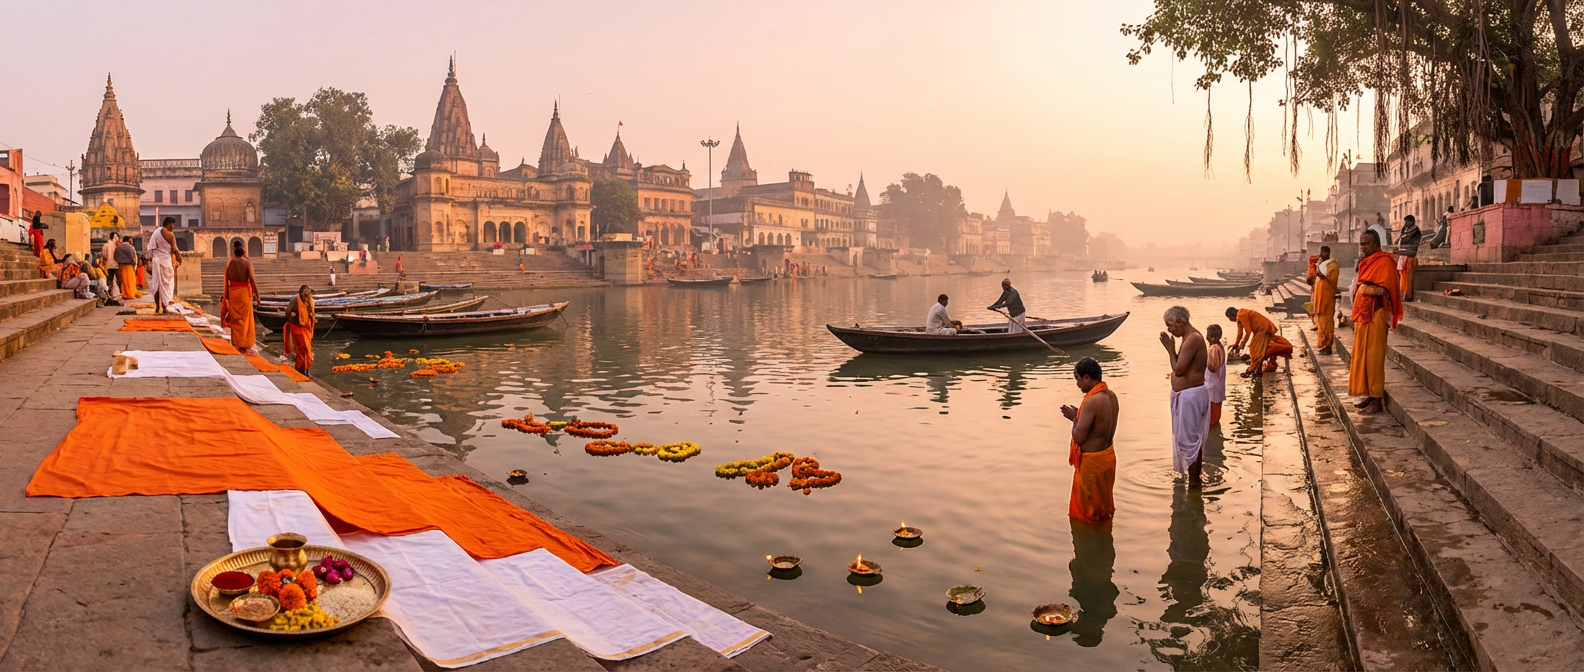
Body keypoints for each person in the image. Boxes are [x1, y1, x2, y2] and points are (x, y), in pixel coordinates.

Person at [1350, 229, 1402, 415]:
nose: (1363, 247)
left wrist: (1365, 288)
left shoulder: (1385, 262)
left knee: (1373, 358)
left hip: (1377, 315)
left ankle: (1377, 398)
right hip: (1364, 316)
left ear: (1376, 244)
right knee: (1363, 357)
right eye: (1361, 244)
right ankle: (1370, 395)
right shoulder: (1366, 262)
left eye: (1367, 244)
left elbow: (1387, 290)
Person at [1061, 357, 1118, 523]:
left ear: (1086, 377)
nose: (1077, 384)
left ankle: (1089, 541)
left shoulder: (1093, 400)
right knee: (1102, 510)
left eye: (1077, 379)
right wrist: (1080, 415)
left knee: (1087, 515)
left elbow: (1079, 437)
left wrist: (1074, 419)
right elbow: (1099, 425)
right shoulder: (1111, 396)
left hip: (1092, 463)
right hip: (1108, 458)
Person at [1161, 306, 1210, 487]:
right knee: (1189, 440)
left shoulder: (1193, 339)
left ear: (1182, 321)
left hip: (1191, 396)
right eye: (1167, 326)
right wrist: (1173, 349)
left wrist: (1169, 349)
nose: (1169, 329)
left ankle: (1195, 482)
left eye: (1171, 325)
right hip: (1187, 395)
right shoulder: (1188, 338)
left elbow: (1179, 370)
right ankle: (1194, 479)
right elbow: (1180, 367)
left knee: (1189, 441)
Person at [1226, 306, 1293, 376]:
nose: (1230, 320)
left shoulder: (1241, 314)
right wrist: (1236, 344)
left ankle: (1252, 370)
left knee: (1254, 349)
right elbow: (1240, 333)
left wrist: (1241, 345)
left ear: (1232, 314)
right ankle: (1258, 370)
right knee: (1259, 349)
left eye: (1229, 317)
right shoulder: (1239, 318)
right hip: (1262, 329)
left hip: (1262, 329)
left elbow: (1248, 332)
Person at [223, 240, 260, 353]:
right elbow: (252, 280)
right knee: (245, 320)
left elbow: (226, 281)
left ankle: (237, 343)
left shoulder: (230, 263)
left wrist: (226, 296)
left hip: (233, 293)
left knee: (235, 320)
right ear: (243, 251)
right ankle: (245, 343)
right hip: (244, 293)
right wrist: (257, 296)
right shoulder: (247, 262)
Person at [148, 217, 181, 314]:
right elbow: (175, 249)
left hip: (156, 259)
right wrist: (179, 257)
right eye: (172, 224)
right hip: (165, 260)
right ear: (168, 224)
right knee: (167, 284)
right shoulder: (170, 234)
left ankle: (158, 306)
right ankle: (165, 306)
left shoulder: (156, 232)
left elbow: (150, 248)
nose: (173, 227)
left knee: (157, 283)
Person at [1311, 245, 1340, 354]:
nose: (1320, 255)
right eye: (1320, 252)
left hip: (1327, 299)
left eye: (1322, 253)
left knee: (1327, 324)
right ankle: (1323, 345)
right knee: (1321, 323)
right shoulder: (1323, 264)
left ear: (1327, 253)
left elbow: (1325, 277)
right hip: (1320, 299)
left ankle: (1328, 346)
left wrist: (1317, 271)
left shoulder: (1332, 265)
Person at [282, 284, 317, 375]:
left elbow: (311, 315)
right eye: (305, 295)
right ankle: (302, 368)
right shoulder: (295, 301)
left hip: (307, 328)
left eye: (308, 295)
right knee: (303, 349)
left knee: (306, 350)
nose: (307, 297)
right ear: (301, 294)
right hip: (297, 328)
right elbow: (287, 315)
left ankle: (304, 369)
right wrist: (293, 316)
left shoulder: (310, 301)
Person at [1205, 324, 1227, 426]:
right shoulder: (1220, 346)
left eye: (1209, 335)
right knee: (1215, 415)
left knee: (1211, 420)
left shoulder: (1214, 348)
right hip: (1217, 385)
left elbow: (1212, 368)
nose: (1207, 337)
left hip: (1212, 386)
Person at [1397, 214, 1421, 302]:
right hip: (1403, 255)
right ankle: (1404, 294)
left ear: (1412, 221)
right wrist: (1402, 231)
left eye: (1407, 221)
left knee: (1408, 278)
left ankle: (1408, 295)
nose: (1406, 223)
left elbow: (1407, 241)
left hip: (1410, 257)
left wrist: (1403, 236)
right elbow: (1400, 240)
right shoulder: (1406, 230)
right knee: (1402, 278)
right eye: (1405, 221)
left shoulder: (1415, 230)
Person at [101, 233, 120, 298]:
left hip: (108, 265)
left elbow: (104, 255)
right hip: (116, 265)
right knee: (116, 279)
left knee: (109, 279)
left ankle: (109, 292)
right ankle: (114, 292)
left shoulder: (106, 245)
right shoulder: (117, 246)